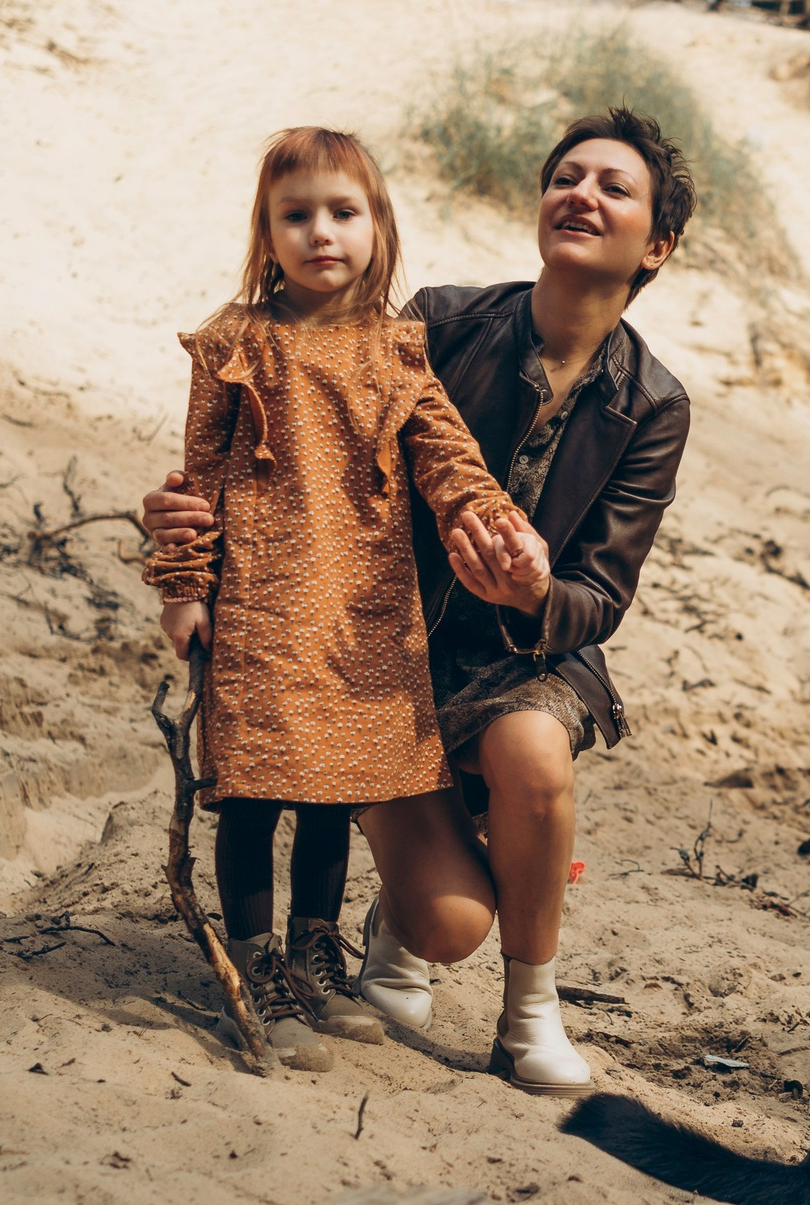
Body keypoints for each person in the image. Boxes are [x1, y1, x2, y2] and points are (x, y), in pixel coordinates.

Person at [143, 107, 693, 1096]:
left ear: (656, 244)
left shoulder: (650, 402)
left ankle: (530, 1014)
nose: (580, 193)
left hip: (517, 661)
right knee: (444, 923)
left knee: (526, 753)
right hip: (377, 642)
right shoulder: (436, 322)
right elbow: (243, 445)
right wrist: (183, 537)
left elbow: (592, 592)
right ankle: (355, 946)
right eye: (565, 175)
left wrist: (531, 584)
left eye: (613, 187)